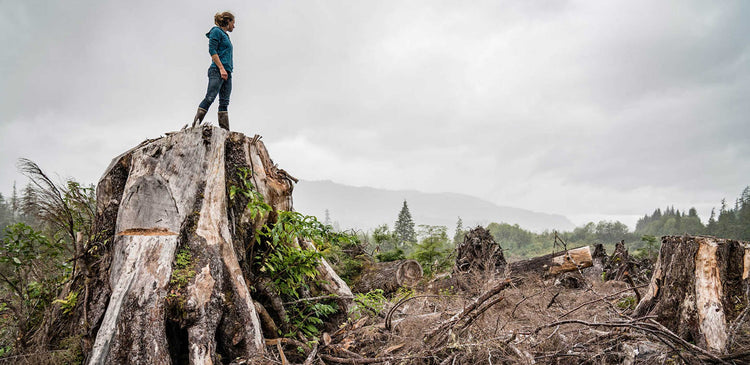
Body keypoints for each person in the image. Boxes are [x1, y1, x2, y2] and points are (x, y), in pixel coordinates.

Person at [192, 12, 235, 130]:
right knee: (210, 97)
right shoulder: (216, 31)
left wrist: (226, 70)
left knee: (224, 102)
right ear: (228, 21)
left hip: (228, 72)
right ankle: (194, 127)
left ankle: (225, 132)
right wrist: (221, 68)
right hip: (217, 70)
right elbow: (212, 50)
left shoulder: (226, 35)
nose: (234, 26)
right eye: (233, 23)